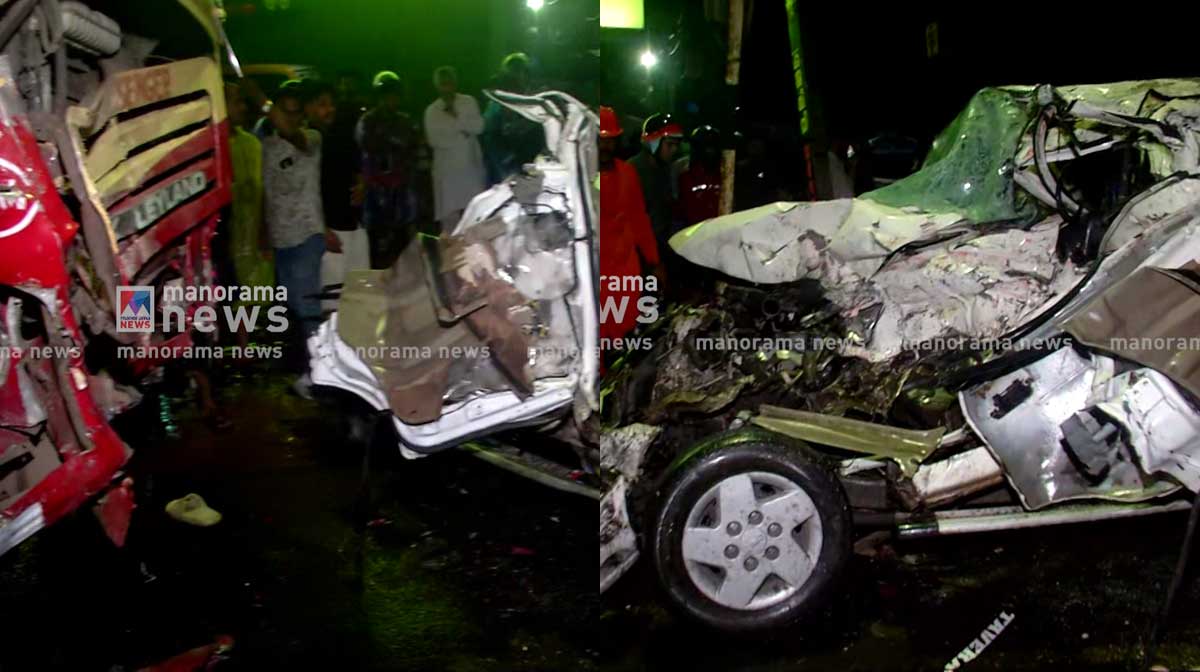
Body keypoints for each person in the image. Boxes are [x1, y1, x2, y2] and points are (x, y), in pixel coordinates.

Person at [253, 80, 339, 397]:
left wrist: (267, 105)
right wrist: (263, 234)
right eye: (283, 111)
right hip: (281, 239)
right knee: (293, 308)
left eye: (294, 112)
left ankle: (319, 374)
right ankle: (316, 369)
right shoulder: (266, 144)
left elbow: (293, 135)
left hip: (306, 236)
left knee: (307, 310)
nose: (288, 118)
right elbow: (264, 191)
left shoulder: (311, 139)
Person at [599, 106, 663, 366]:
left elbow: (639, 220)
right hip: (594, 274)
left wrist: (655, 262)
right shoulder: (578, 176)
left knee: (624, 340)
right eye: (600, 140)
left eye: (610, 140)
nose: (605, 146)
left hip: (625, 273)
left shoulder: (627, 173)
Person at [302, 80, 369, 312]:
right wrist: (323, 229)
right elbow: (305, 192)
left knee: (359, 296)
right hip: (330, 233)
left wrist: (362, 184)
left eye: (331, 104)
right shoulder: (305, 141)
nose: (329, 109)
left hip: (355, 226)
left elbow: (359, 168)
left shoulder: (340, 135)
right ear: (308, 107)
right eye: (322, 104)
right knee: (332, 301)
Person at [223, 81, 274, 353]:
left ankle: (243, 342)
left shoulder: (251, 143)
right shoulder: (211, 144)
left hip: (250, 230)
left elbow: (261, 189)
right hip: (224, 233)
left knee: (250, 287)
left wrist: (264, 231)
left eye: (243, 102)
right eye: (236, 102)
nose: (243, 108)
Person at [356, 71, 421, 268]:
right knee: (376, 249)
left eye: (394, 94)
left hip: (401, 192)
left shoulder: (406, 120)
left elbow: (414, 148)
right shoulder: (367, 121)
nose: (390, 99)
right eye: (386, 95)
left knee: (403, 246)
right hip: (375, 193)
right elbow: (366, 147)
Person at [423, 66, 486, 230]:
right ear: (437, 86)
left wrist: (457, 118)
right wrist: (462, 132)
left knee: (475, 215)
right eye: (443, 84)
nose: (447, 87)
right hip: (447, 172)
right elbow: (434, 140)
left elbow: (479, 127)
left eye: (449, 82)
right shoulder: (432, 111)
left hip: (470, 170)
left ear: (455, 83)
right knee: (450, 221)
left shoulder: (468, 102)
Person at [481, 53, 544, 185]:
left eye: (521, 71)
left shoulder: (534, 94)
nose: (519, 76)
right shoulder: (499, 98)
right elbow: (492, 129)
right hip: (505, 158)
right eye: (514, 72)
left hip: (528, 154)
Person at [628, 113, 684, 252]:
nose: (674, 150)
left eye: (676, 145)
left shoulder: (668, 170)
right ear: (652, 143)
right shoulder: (631, 171)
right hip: (638, 249)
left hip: (661, 246)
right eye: (669, 144)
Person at [676, 124, 722, 226]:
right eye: (706, 146)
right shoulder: (683, 173)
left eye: (712, 146)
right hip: (693, 230)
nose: (709, 151)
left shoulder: (725, 173)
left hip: (720, 229)